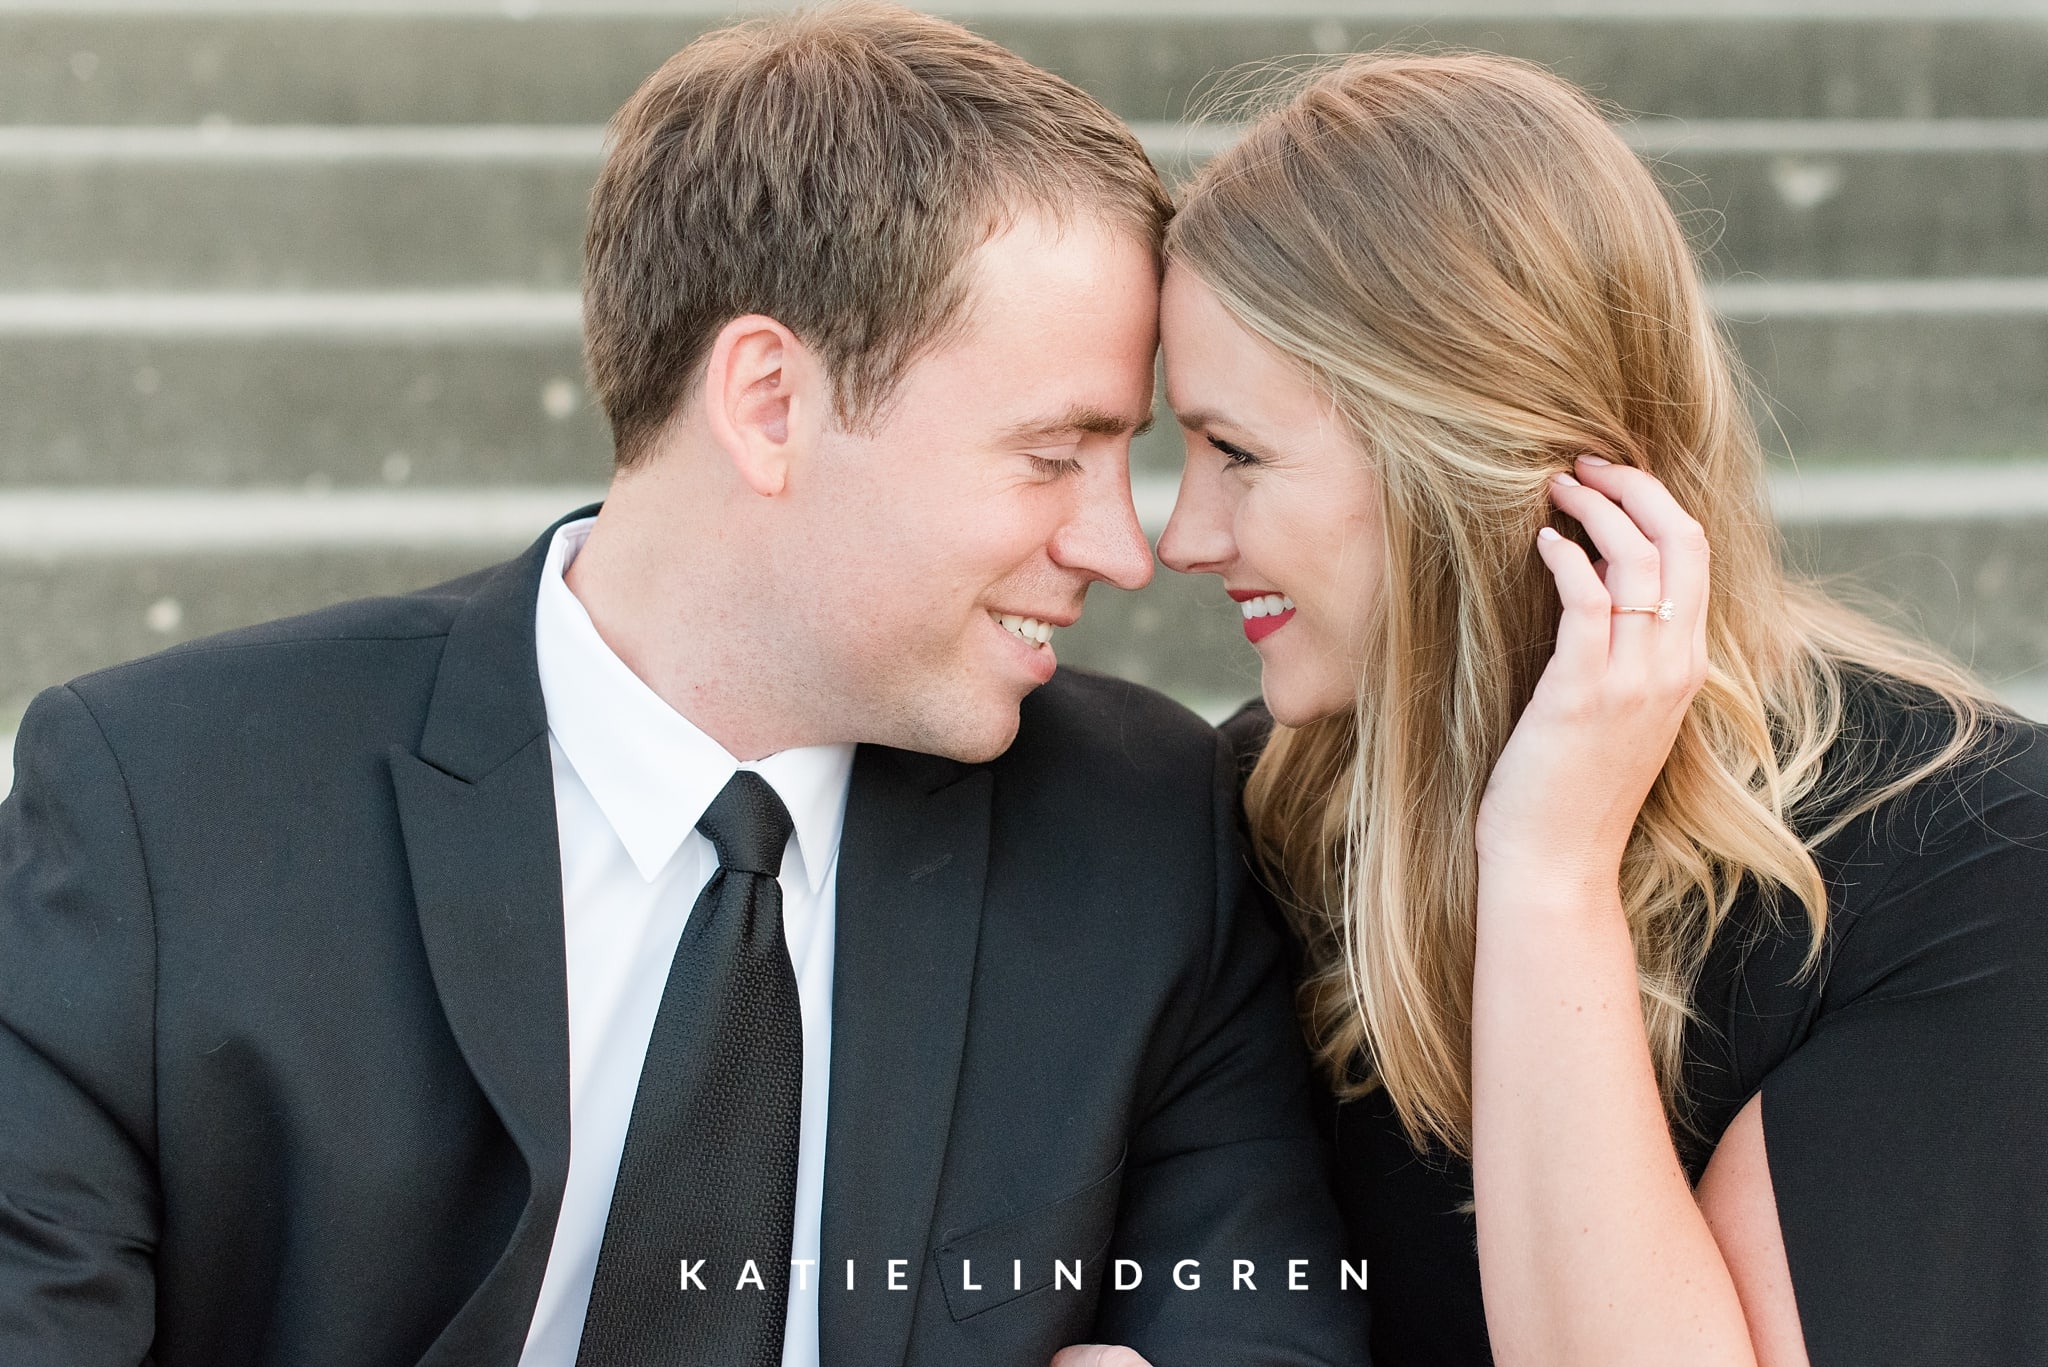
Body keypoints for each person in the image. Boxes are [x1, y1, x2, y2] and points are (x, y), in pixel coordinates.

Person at [0, 7, 1367, 1366]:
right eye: (1053, 456)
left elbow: (1265, 1319)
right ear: (770, 402)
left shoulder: (1144, 830)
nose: (1124, 548)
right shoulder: (162, 811)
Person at [1138, 49, 2047, 1367]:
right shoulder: (1246, 818)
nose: (1181, 537)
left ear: (1466, 454)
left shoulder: (1969, 854)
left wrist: (1548, 872)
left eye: (1236, 452)